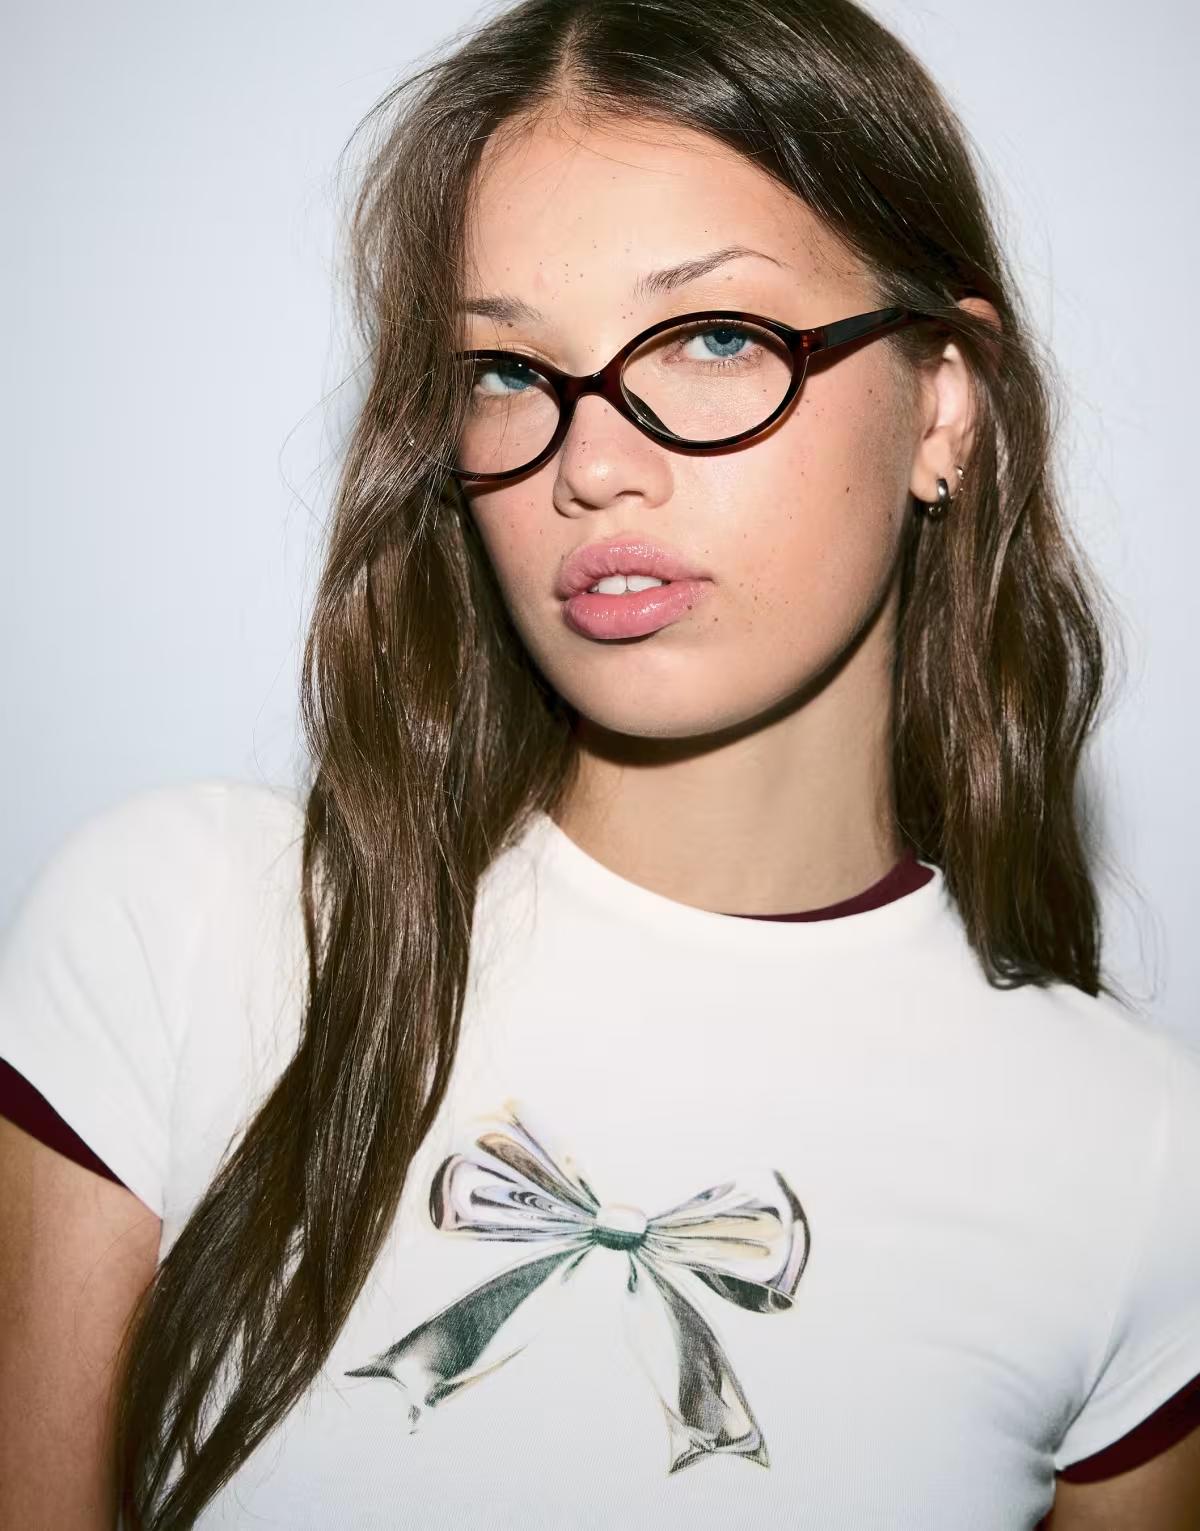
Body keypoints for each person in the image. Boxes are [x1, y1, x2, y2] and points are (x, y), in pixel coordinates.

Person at [2, 0, 1199, 1525]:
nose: (592, 462)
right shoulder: (187, 933)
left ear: (943, 405)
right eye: (508, 368)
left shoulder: (1138, 1166)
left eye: (715, 338)